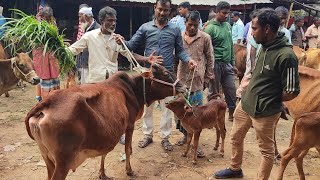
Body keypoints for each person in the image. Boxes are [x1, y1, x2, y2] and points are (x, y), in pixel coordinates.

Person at [214, 8, 300, 179]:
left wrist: (270, 98)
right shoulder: (263, 46)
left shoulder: (287, 56)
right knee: (235, 137)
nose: (251, 33)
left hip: (266, 111)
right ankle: (235, 169)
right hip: (246, 103)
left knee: (266, 151)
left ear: (267, 29)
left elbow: (292, 91)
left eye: (254, 28)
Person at [116, 0, 197, 151]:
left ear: (169, 10)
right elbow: (130, 46)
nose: (162, 13)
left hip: (166, 76)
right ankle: (148, 135)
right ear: (155, 8)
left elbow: (179, 51)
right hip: (148, 74)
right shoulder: (145, 27)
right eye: (160, 9)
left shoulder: (174, 30)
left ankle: (165, 138)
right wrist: (122, 41)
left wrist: (189, 60)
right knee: (147, 106)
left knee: (167, 106)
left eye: (165, 10)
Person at [175, 11, 214, 157]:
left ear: (199, 24)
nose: (192, 28)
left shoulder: (205, 38)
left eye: (195, 25)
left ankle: (195, 144)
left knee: (196, 113)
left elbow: (210, 58)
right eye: (190, 24)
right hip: (181, 81)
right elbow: (174, 57)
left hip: (198, 81)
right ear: (185, 22)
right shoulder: (178, 37)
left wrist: (208, 77)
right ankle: (186, 136)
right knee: (180, 112)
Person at [204, 1, 237, 121]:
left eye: (228, 13)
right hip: (215, 64)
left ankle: (231, 114)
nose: (226, 15)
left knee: (231, 89)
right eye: (224, 13)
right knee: (214, 92)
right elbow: (206, 50)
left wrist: (233, 63)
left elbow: (230, 45)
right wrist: (209, 69)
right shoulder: (210, 28)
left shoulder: (228, 26)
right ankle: (211, 116)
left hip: (227, 64)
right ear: (217, 12)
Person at [32, 6, 60, 101]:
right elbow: (35, 38)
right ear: (42, 16)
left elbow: (56, 35)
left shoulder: (53, 22)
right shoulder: (36, 23)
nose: (47, 20)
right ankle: (44, 99)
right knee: (43, 75)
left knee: (53, 73)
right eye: (46, 18)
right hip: (41, 54)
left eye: (49, 18)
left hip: (51, 53)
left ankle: (54, 97)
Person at [236, 10, 261, 100]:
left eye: (255, 29)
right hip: (252, 57)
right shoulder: (249, 26)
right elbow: (252, 47)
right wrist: (253, 64)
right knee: (248, 75)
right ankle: (240, 96)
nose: (252, 32)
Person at [77, 7, 100, 84]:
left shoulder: (97, 29)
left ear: (86, 16)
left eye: (80, 16)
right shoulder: (85, 27)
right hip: (85, 62)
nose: (79, 19)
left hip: (92, 65)